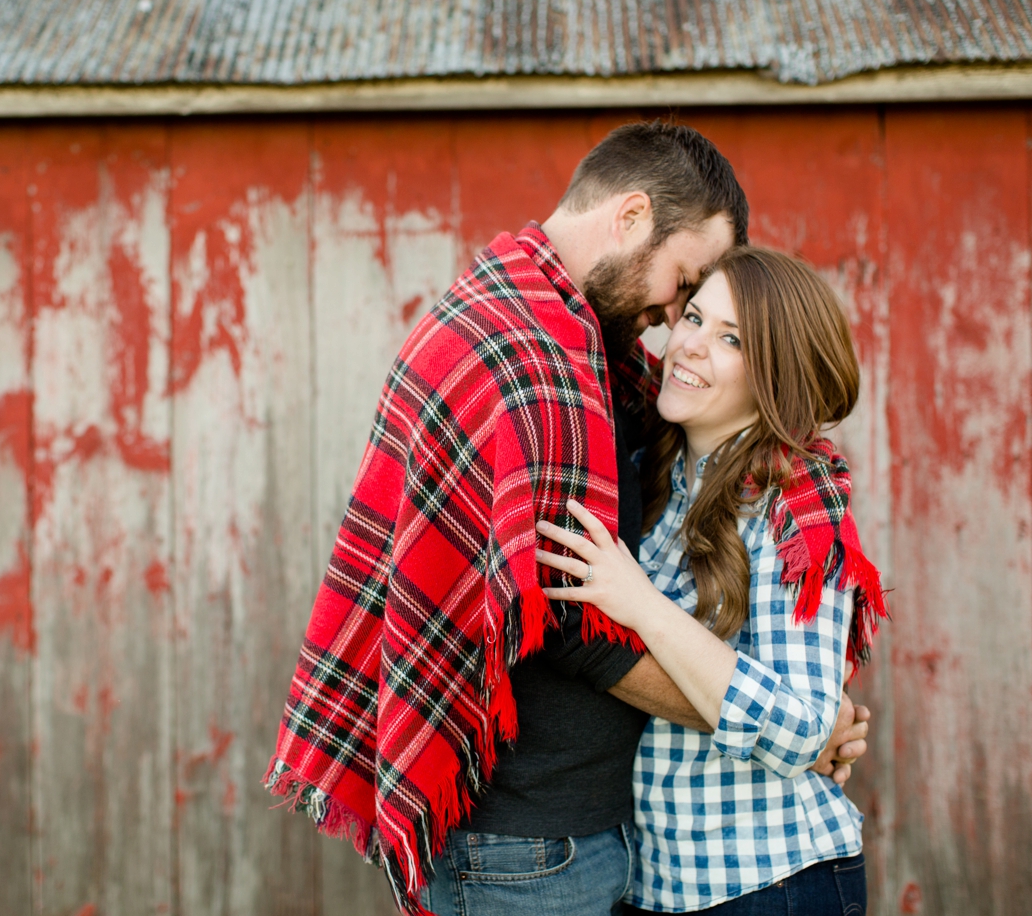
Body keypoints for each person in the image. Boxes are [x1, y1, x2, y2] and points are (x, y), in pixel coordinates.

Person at [266, 122, 869, 916]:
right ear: (630, 218)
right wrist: (792, 732)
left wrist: (791, 718)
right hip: (532, 844)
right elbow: (570, 615)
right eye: (684, 288)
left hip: (623, 849)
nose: (672, 318)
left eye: (712, 320)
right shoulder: (523, 356)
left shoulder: (596, 358)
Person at [534, 247, 887, 915]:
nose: (691, 345)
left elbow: (806, 726)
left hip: (768, 883)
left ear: (775, 376)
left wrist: (641, 604)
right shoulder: (650, 479)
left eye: (731, 339)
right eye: (693, 317)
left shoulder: (796, 503)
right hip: (656, 885)